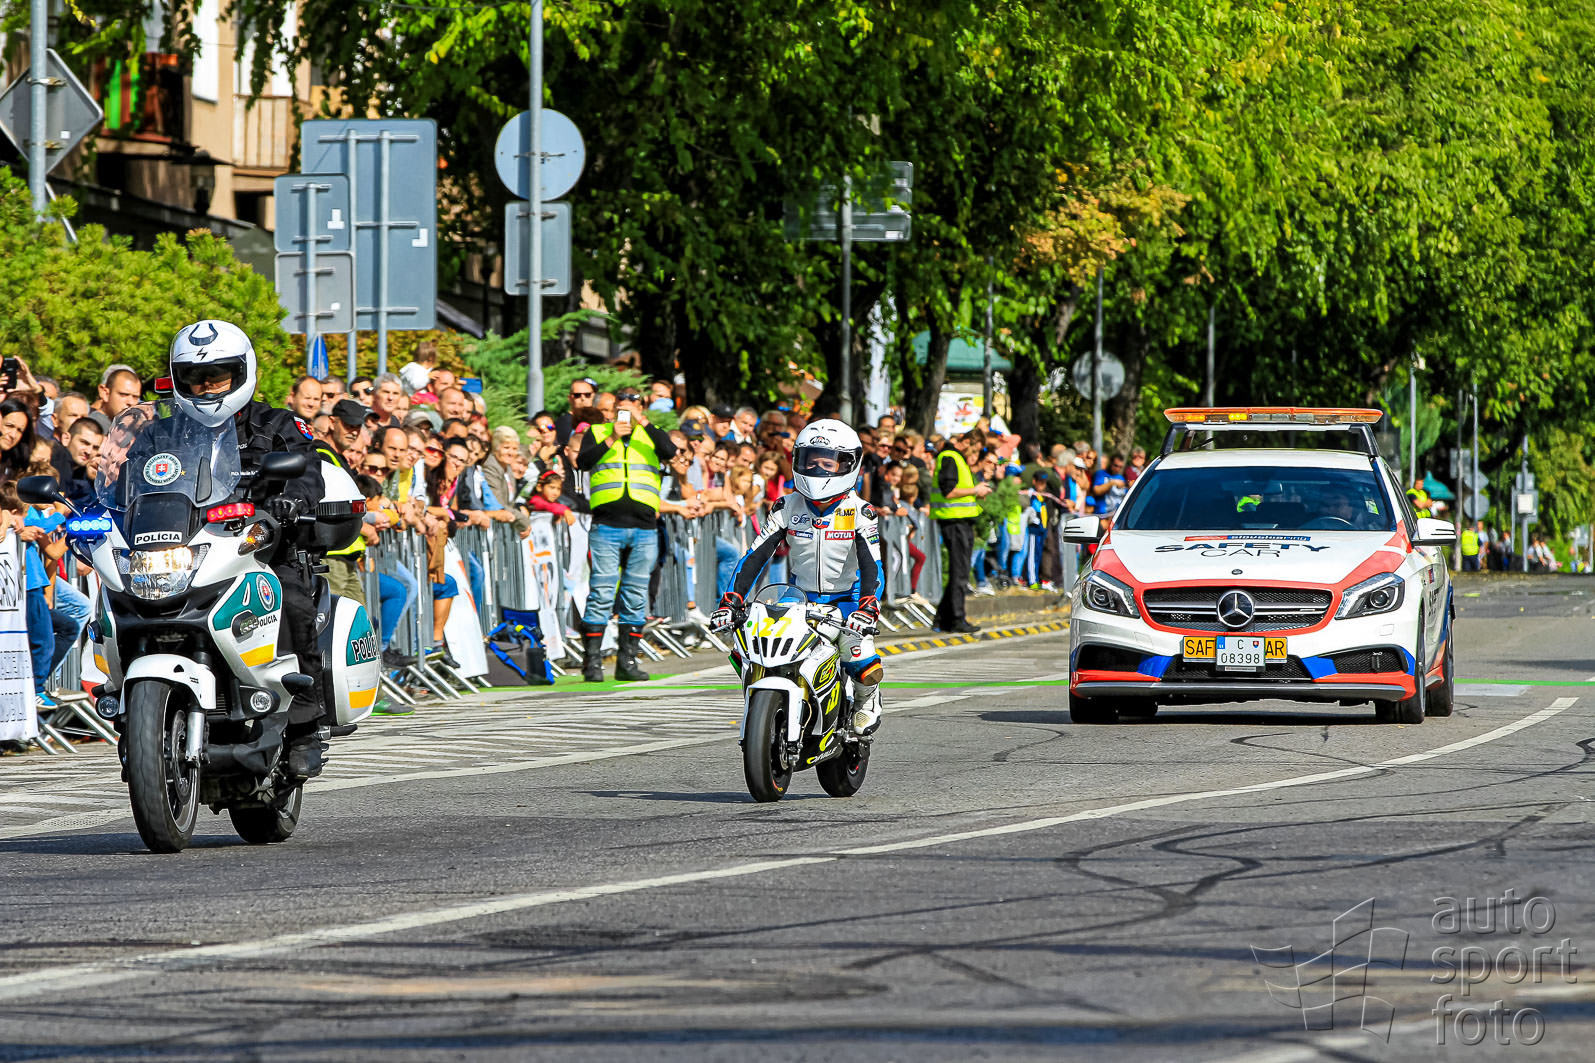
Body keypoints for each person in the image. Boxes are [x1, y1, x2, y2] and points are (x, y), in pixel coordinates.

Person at [166, 319, 328, 780]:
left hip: (259, 548)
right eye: (194, 377)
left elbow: (308, 470)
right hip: (186, 549)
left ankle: (304, 725)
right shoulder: (163, 433)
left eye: (216, 376)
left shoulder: (277, 424)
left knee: (292, 599)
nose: (205, 386)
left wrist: (292, 500)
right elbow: (127, 475)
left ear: (241, 373)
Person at [709, 419, 886, 734]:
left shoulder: (861, 512)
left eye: (828, 463)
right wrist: (731, 601)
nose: (818, 469)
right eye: (811, 460)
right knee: (749, 643)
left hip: (846, 601)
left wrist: (868, 606)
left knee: (860, 654)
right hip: (799, 600)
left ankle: (867, 701)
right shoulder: (786, 506)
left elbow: (872, 564)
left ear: (849, 465)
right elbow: (755, 555)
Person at [575, 389, 676, 682]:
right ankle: (592, 663)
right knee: (602, 591)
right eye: (620, 407)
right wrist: (612, 438)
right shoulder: (597, 432)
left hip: (644, 527)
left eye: (633, 406)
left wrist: (642, 422)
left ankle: (627, 662)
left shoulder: (651, 433)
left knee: (635, 594)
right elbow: (583, 462)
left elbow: (670, 451)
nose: (626, 412)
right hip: (607, 525)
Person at [929, 427, 991, 633]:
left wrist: (975, 493)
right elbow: (948, 491)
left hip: (959, 521)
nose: (975, 455)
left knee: (961, 571)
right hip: (954, 521)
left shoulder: (955, 457)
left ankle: (942, 619)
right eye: (975, 450)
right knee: (960, 572)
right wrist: (975, 490)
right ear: (967, 442)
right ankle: (956, 619)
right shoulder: (950, 457)